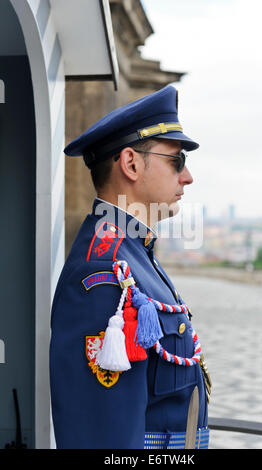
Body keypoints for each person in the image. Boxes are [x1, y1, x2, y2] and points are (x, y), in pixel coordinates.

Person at [50, 85, 211, 449]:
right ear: (131, 163)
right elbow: (102, 437)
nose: (187, 177)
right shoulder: (105, 274)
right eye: (177, 161)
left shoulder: (135, 255)